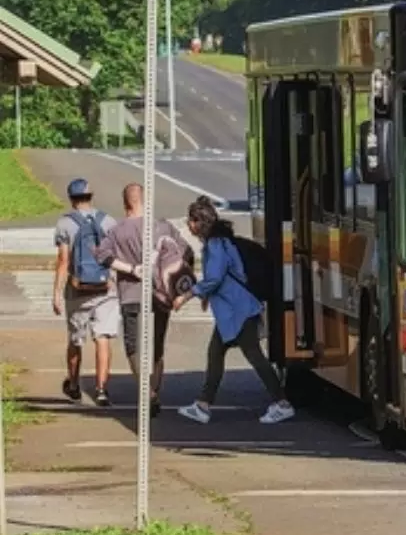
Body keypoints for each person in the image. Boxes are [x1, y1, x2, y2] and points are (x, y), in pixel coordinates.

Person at [173, 197, 294, 425]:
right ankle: (203, 404)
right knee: (217, 353)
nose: (189, 225)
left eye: (191, 220)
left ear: (199, 222)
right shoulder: (221, 241)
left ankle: (282, 403)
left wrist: (188, 295)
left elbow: (215, 277)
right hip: (236, 309)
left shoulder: (215, 244)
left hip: (238, 311)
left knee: (254, 356)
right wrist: (207, 296)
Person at [94, 183, 194, 417]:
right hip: (161, 293)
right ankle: (155, 391)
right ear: (145, 200)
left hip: (131, 292)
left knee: (133, 344)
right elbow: (187, 252)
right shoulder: (163, 226)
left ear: (125, 204)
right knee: (157, 343)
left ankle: (146, 392)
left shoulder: (118, 231)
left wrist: (131, 268)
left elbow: (102, 255)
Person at [53, 178, 119, 406]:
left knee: (75, 339)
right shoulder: (108, 221)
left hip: (77, 288)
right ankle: (101, 389)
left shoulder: (65, 223)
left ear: (71, 199)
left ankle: (73, 386)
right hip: (106, 288)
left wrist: (56, 293)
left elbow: (64, 260)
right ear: (91, 197)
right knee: (103, 338)